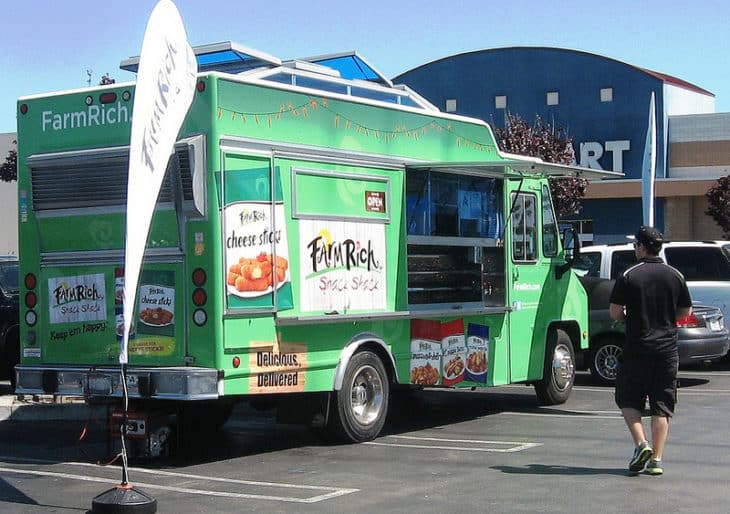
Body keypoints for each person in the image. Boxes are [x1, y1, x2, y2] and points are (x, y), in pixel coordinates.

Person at [609, 226, 692, 476]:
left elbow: (615, 312)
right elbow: (685, 311)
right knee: (661, 404)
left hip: (638, 346)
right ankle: (656, 459)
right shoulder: (674, 274)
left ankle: (641, 444)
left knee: (627, 398)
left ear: (642, 247)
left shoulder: (629, 275)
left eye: (636, 245)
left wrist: (627, 317)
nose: (635, 248)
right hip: (667, 349)